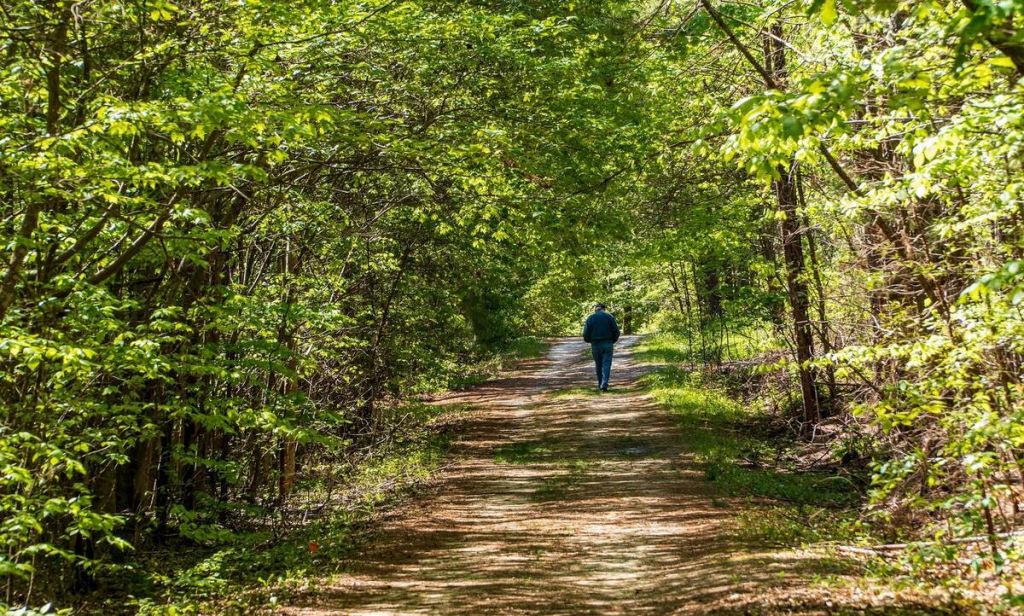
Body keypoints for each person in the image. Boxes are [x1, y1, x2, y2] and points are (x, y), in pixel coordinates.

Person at [582, 303, 620, 391]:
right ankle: (604, 384)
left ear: (596, 309)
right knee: (606, 364)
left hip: (595, 344)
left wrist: (589, 340)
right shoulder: (609, 317)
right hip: (608, 343)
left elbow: (585, 333)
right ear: (604, 309)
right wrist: (612, 341)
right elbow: (616, 332)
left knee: (598, 364)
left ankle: (600, 384)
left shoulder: (591, 318)